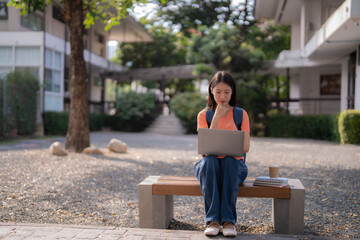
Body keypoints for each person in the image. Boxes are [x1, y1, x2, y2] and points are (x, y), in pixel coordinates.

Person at [194, 71, 250, 237]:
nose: (222, 96)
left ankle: (228, 221)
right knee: (210, 160)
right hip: (209, 167)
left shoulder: (241, 114)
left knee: (229, 161)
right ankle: (213, 221)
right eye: (218, 92)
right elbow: (206, 148)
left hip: (234, 166)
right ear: (211, 90)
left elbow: (245, 147)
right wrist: (217, 116)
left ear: (232, 91)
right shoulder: (204, 115)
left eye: (226, 92)